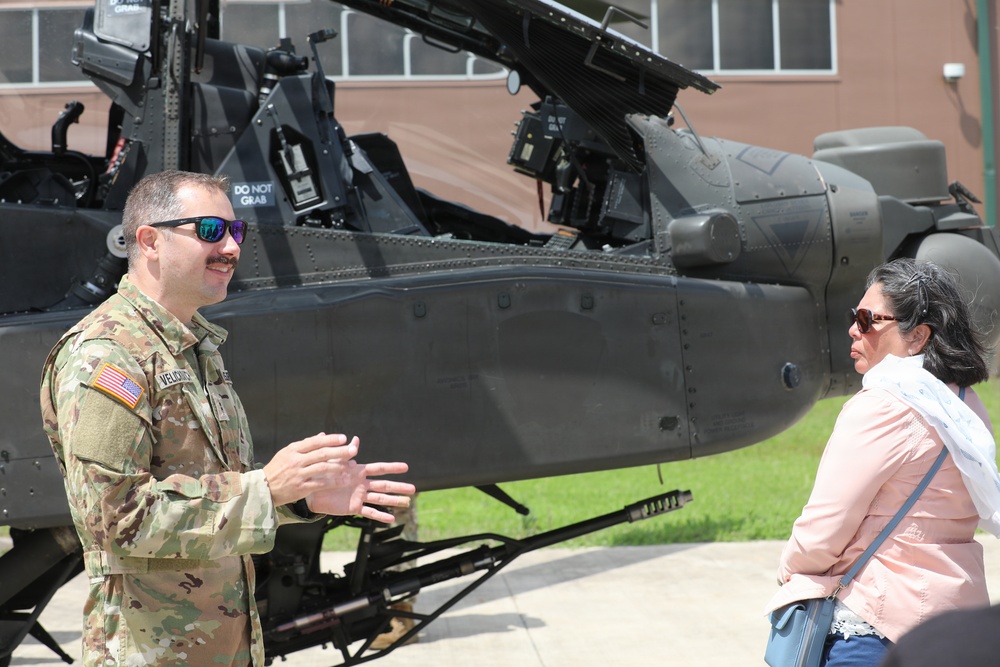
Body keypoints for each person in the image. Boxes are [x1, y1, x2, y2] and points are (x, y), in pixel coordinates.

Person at [39, 170, 416, 667]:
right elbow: (115, 519)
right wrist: (265, 490)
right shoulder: (108, 357)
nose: (232, 248)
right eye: (211, 231)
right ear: (150, 240)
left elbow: (210, 498)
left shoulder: (192, 348)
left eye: (235, 232)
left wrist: (297, 500)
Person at [765, 257, 1000, 666]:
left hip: (876, 629)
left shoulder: (882, 404)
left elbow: (824, 527)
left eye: (868, 319)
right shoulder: (964, 403)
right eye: (854, 317)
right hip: (954, 625)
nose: (854, 329)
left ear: (918, 336)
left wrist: (791, 571)